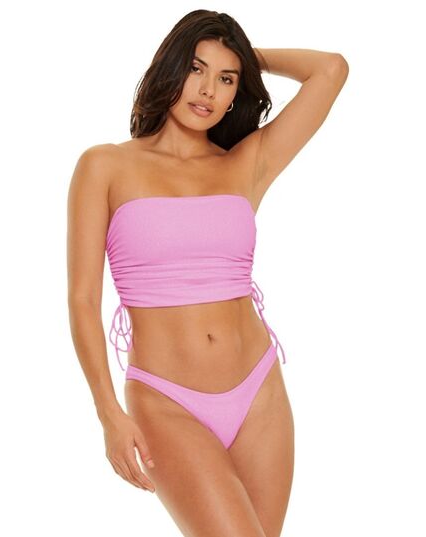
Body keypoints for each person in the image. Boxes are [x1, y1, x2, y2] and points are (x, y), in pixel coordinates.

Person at [67, 9, 348, 537]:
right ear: (171, 67)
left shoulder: (245, 162)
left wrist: (246, 54)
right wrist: (108, 413)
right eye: (196, 69)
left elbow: (330, 69)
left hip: (259, 390)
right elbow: (83, 299)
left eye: (226, 78)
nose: (207, 90)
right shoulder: (104, 165)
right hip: (166, 400)